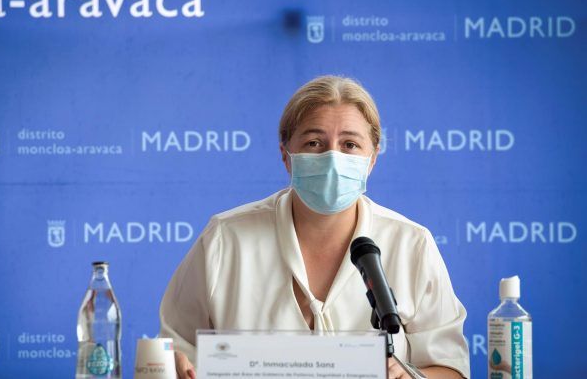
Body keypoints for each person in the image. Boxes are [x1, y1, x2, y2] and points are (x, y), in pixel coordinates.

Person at [159, 76, 470, 379]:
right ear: (286, 155)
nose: (332, 158)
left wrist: (409, 376)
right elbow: (172, 349)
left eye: (349, 144)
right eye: (313, 142)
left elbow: (451, 368)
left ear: (372, 158)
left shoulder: (411, 244)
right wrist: (172, 366)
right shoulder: (226, 239)